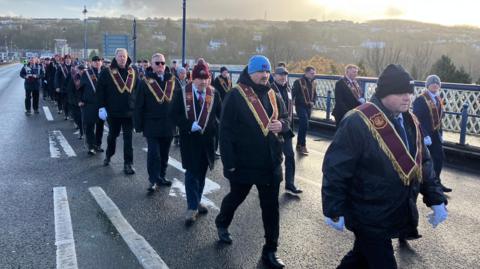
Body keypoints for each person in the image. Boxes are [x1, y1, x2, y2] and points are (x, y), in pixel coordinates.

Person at [322, 64, 448, 269]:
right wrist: (334, 208)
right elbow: (336, 168)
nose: (407, 97)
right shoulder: (357, 121)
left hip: (395, 208)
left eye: (409, 91)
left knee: (359, 259)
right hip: (367, 212)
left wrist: (435, 198)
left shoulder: (411, 120)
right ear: (383, 93)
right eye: (400, 92)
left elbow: (423, 162)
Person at [215, 55, 290, 269]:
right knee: (237, 197)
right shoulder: (235, 95)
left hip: (271, 163)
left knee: (271, 208)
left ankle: (271, 250)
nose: (265, 75)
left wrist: (282, 126)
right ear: (250, 72)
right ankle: (222, 221)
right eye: (261, 71)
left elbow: (286, 118)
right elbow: (225, 132)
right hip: (244, 163)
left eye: (267, 72)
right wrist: (229, 163)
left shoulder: (274, 94)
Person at [172, 63, 221, 225]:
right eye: (199, 78)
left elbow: (220, 116)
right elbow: (173, 115)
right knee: (192, 174)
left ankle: (197, 200)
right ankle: (192, 207)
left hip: (208, 142)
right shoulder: (181, 93)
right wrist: (188, 125)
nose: (203, 82)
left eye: (206, 78)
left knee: (201, 173)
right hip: (190, 141)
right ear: (192, 78)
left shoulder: (214, 94)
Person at [134, 53, 178, 192]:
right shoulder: (144, 82)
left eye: (162, 63)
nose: (160, 65)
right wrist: (138, 125)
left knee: (165, 154)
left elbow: (178, 103)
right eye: (157, 63)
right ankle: (152, 179)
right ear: (152, 65)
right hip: (151, 124)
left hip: (168, 124)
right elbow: (139, 105)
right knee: (154, 154)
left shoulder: (172, 80)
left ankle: (161, 176)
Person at [96, 48, 139, 175]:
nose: (122, 58)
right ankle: (109, 154)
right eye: (120, 56)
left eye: (124, 56)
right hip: (113, 112)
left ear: (127, 57)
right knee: (112, 136)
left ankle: (128, 164)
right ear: (115, 57)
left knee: (128, 139)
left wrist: (137, 107)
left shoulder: (133, 72)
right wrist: (101, 107)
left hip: (129, 113)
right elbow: (100, 91)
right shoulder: (106, 72)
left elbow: (138, 90)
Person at [413, 75, 452, 192]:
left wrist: (441, 134)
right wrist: (424, 134)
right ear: (427, 85)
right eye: (432, 83)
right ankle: (421, 183)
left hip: (436, 134)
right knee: (424, 160)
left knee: (439, 158)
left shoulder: (439, 99)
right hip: (426, 135)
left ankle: (436, 183)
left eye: (437, 83)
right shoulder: (421, 99)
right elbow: (416, 118)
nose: (435, 85)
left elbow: (440, 117)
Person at [271, 66, 302, 194]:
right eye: (280, 74)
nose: (283, 77)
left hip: (286, 128)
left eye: (285, 75)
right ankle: (270, 182)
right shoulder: (270, 89)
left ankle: (290, 184)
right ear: (274, 75)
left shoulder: (288, 88)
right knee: (274, 158)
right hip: (274, 128)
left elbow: (290, 111)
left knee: (290, 155)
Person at [79, 56, 104, 155]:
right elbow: (80, 88)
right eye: (95, 61)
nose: (97, 62)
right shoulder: (87, 73)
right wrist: (80, 100)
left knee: (100, 126)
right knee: (89, 125)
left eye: (99, 61)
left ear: (101, 62)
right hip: (89, 103)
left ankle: (98, 144)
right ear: (91, 63)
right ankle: (91, 146)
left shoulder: (105, 73)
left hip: (101, 104)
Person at [292, 66, 317, 155]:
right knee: (304, 123)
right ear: (306, 73)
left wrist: (313, 102)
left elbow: (315, 95)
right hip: (300, 106)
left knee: (304, 126)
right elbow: (293, 94)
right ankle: (303, 145)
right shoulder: (298, 82)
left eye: (314, 73)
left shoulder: (314, 82)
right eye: (312, 73)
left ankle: (299, 144)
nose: (314, 75)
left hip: (309, 107)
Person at [67, 65, 85, 139]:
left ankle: (82, 132)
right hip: (75, 102)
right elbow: (70, 91)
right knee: (77, 118)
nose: (81, 71)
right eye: (80, 70)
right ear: (78, 70)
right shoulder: (74, 78)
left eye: (83, 70)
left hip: (84, 102)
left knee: (83, 119)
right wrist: (76, 101)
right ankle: (81, 129)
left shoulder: (87, 78)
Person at [55, 55, 73, 119]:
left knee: (72, 102)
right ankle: (66, 114)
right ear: (64, 60)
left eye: (69, 58)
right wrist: (57, 86)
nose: (68, 60)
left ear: (71, 59)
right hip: (64, 87)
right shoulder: (61, 67)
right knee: (65, 102)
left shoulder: (74, 67)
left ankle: (71, 114)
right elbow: (57, 77)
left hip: (72, 88)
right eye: (66, 59)